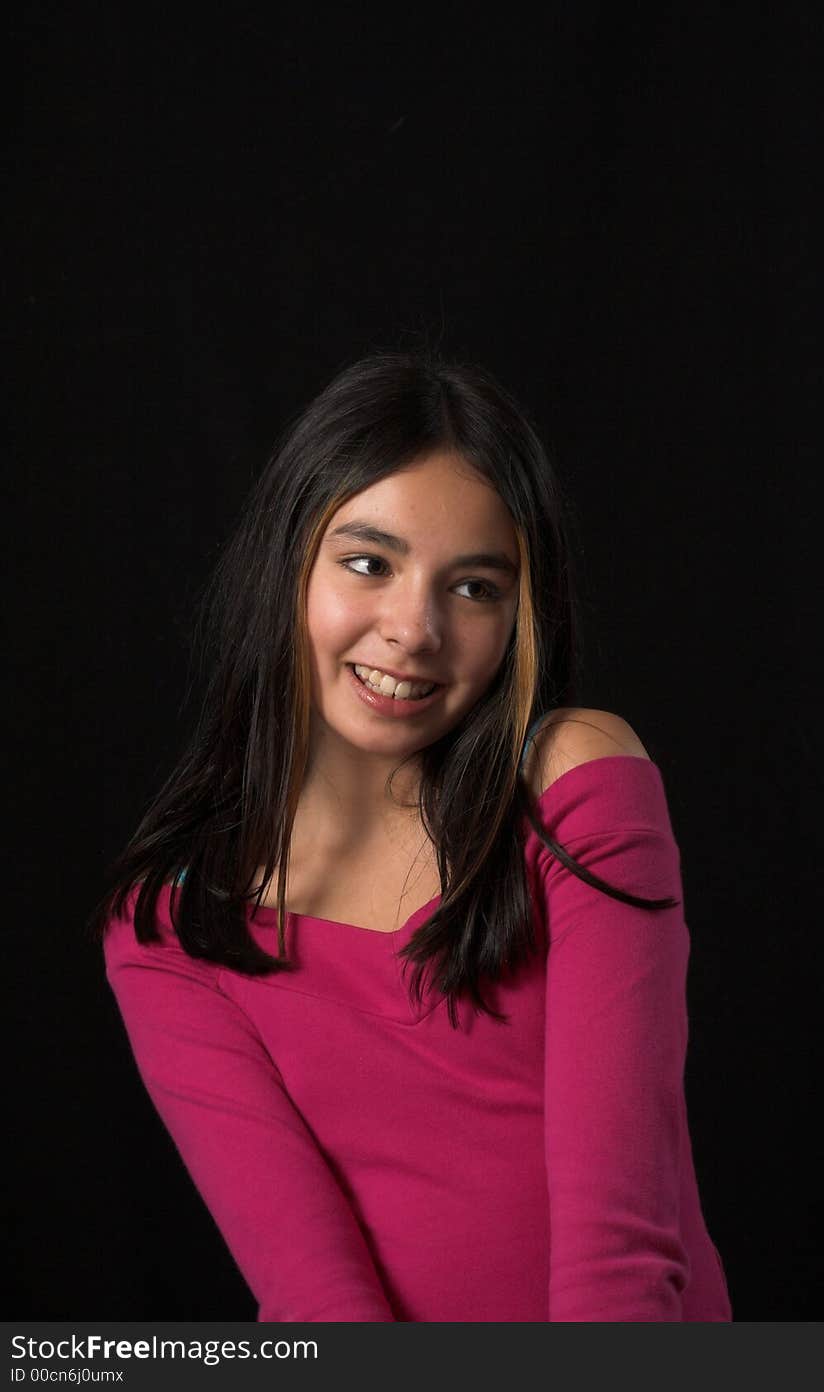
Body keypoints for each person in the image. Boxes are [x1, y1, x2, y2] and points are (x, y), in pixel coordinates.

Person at [88, 348, 733, 1322]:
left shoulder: (572, 781)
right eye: (367, 563)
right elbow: (315, 1304)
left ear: (521, 615)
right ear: (286, 564)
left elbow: (622, 1251)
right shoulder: (170, 927)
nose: (414, 627)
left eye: (474, 587)